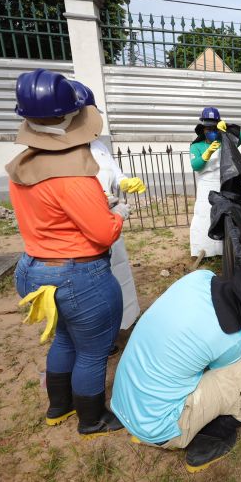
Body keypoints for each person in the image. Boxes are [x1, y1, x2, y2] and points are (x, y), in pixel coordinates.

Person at [8, 68, 127, 437]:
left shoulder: (22, 167)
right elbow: (103, 232)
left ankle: (58, 407)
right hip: (78, 275)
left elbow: (48, 214)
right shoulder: (74, 176)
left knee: (64, 338)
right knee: (92, 350)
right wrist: (119, 212)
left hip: (34, 266)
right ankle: (92, 419)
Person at [110, 269, 241, 472]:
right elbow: (223, 373)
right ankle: (211, 438)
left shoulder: (200, 277)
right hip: (159, 427)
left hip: (125, 400)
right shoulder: (230, 340)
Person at [69, 80, 144, 333]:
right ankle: (101, 333)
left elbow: (116, 174)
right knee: (95, 282)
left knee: (119, 268)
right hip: (84, 224)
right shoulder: (64, 154)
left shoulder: (99, 147)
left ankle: (127, 320)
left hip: (111, 216)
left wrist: (126, 182)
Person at [188, 107, 241, 257]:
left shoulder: (224, 141)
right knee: (205, 215)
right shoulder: (196, 146)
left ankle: (223, 250)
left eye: (214, 127)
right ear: (203, 128)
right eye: (208, 128)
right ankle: (204, 250)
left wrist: (226, 129)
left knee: (223, 215)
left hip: (222, 184)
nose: (211, 130)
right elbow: (195, 165)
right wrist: (207, 153)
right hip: (205, 185)